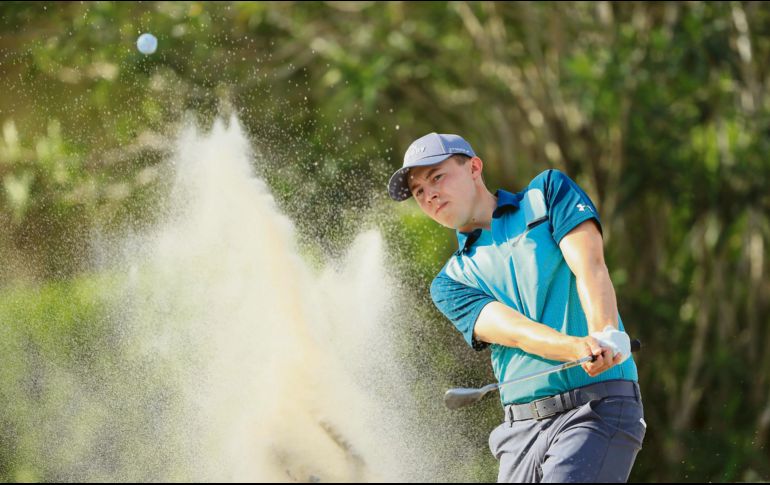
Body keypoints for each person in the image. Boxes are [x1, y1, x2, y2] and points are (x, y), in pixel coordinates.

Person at [387, 133, 646, 483]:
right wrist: (575, 347)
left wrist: (604, 334)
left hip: (596, 408)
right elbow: (515, 331)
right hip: (520, 431)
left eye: (437, 177)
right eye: (418, 192)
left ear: (474, 167)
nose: (429, 194)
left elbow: (590, 266)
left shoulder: (547, 194)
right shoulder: (449, 281)